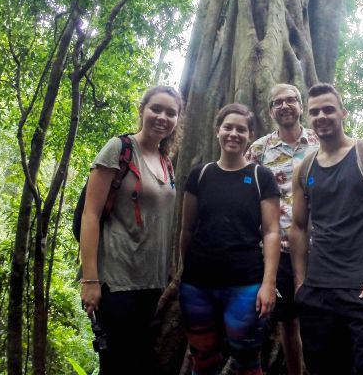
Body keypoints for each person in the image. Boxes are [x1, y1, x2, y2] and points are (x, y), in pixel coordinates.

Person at [289, 83, 363, 375]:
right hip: (318, 293)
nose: (322, 116)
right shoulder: (304, 169)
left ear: (343, 112)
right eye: (314, 111)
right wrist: (301, 283)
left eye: (328, 109)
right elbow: (299, 227)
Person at [79, 85, 182, 375]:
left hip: (154, 283)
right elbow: (90, 214)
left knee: (141, 362)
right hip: (117, 280)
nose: (163, 117)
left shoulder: (166, 161)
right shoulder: (119, 149)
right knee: (116, 364)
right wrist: (90, 280)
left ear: (177, 120)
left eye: (171, 113)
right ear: (142, 110)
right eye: (156, 109)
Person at [178, 103, 281, 375]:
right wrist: (185, 271)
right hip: (197, 285)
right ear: (217, 131)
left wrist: (268, 284)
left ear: (250, 135)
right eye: (228, 127)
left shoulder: (262, 177)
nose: (233, 133)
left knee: (247, 361)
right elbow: (187, 229)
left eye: (241, 129)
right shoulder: (200, 175)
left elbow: (271, 232)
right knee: (202, 358)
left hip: (245, 285)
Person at [245, 83, 317, 375]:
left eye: (291, 100)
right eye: (278, 103)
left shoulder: (319, 140)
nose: (285, 106)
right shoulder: (260, 149)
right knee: (288, 320)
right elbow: (243, 193)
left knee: (323, 317)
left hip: (322, 247)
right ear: (271, 110)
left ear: (301, 106)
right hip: (278, 250)